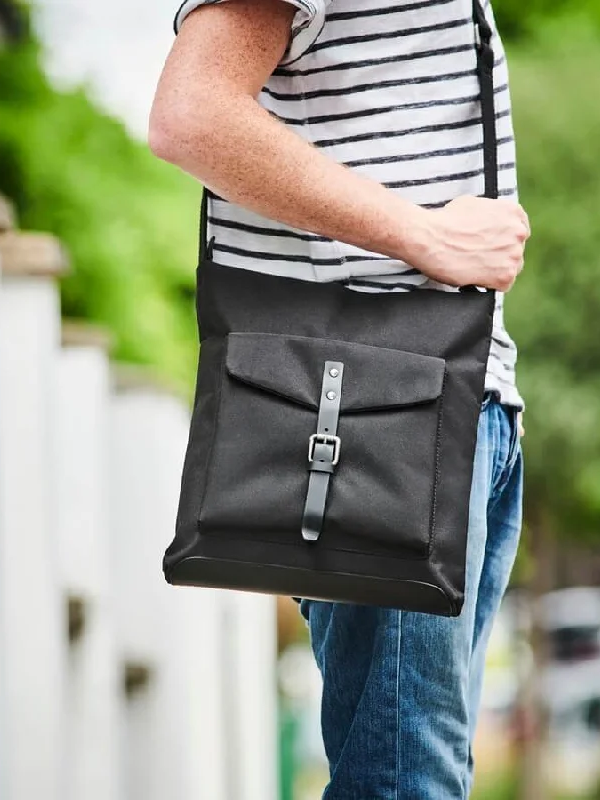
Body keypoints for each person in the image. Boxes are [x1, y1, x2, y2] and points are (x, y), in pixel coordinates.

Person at [150, 0, 528, 795]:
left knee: (423, 773)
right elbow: (191, 113)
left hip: (464, 396)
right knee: (404, 781)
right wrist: (423, 234)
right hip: (382, 408)